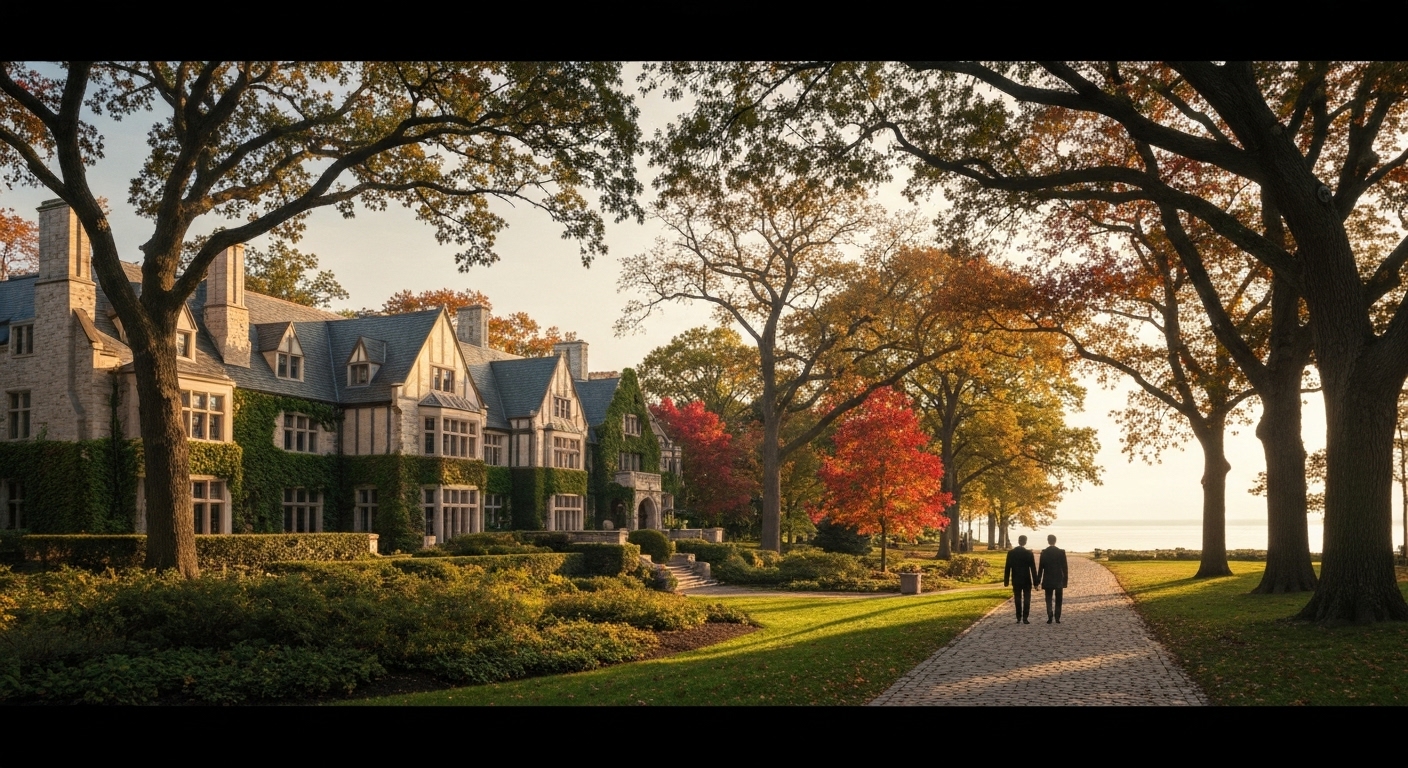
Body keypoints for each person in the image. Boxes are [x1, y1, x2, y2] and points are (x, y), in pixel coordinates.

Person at [1003, 534, 1037, 624]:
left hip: (1016, 579)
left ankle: (1018, 616)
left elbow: (1007, 568)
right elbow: (1033, 568)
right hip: (1026, 579)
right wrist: (1036, 582)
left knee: (1017, 598)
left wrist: (1006, 581)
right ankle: (1025, 617)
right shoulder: (1029, 553)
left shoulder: (1011, 553)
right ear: (1025, 542)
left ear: (1018, 541)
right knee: (1027, 598)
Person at [1037, 534, 1070, 624]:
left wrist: (1038, 581)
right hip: (1059, 578)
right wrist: (1065, 581)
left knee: (1048, 598)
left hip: (1048, 578)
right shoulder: (1061, 552)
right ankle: (1057, 617)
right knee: (1059, 599)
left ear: (1048, 541)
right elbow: (1065, 568)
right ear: (1055, 541)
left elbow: (1041, 568)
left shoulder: (1044, 552)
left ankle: (1050, 615)